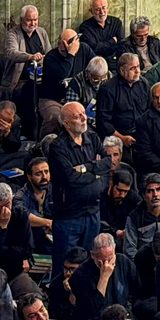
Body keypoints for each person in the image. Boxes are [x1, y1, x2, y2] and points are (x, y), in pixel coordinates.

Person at [48, 102, 110, 274]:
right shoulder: (58, 147)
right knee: (64, 266)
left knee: (89, 264)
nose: (84, 118)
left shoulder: (93, 137)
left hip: (93, 213)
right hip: (69, 216)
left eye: (83, 113)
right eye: (78, 116)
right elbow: (70, 179)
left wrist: (86, 168)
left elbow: (107, 163)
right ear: (67, 123)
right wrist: (95, 174)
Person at [69, 234, 139, 320]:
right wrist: (104, 277)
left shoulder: (123, 262)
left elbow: (136, 289)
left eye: (111, 258)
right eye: (103, 260)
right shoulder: (80, 274)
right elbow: (93, 309)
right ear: (93, 255)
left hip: (123, 316)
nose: (108, 264)